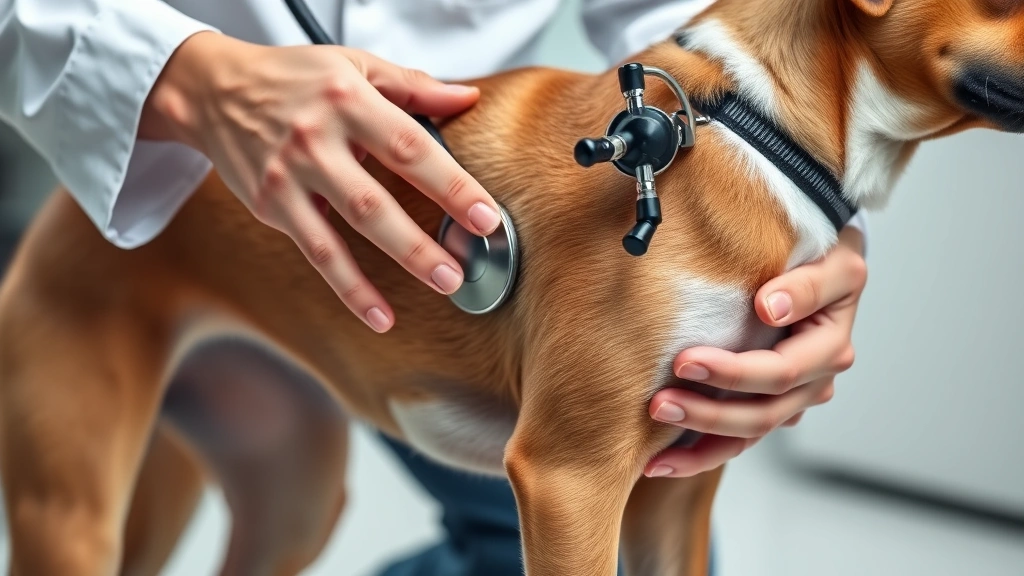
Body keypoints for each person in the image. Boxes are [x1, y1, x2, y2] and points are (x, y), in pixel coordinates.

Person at [0, 1, 868, 574]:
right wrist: (181, 72)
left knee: (305, 520)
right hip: (148, 164)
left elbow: (717, 30)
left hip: (464, 225)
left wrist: (805, 222)